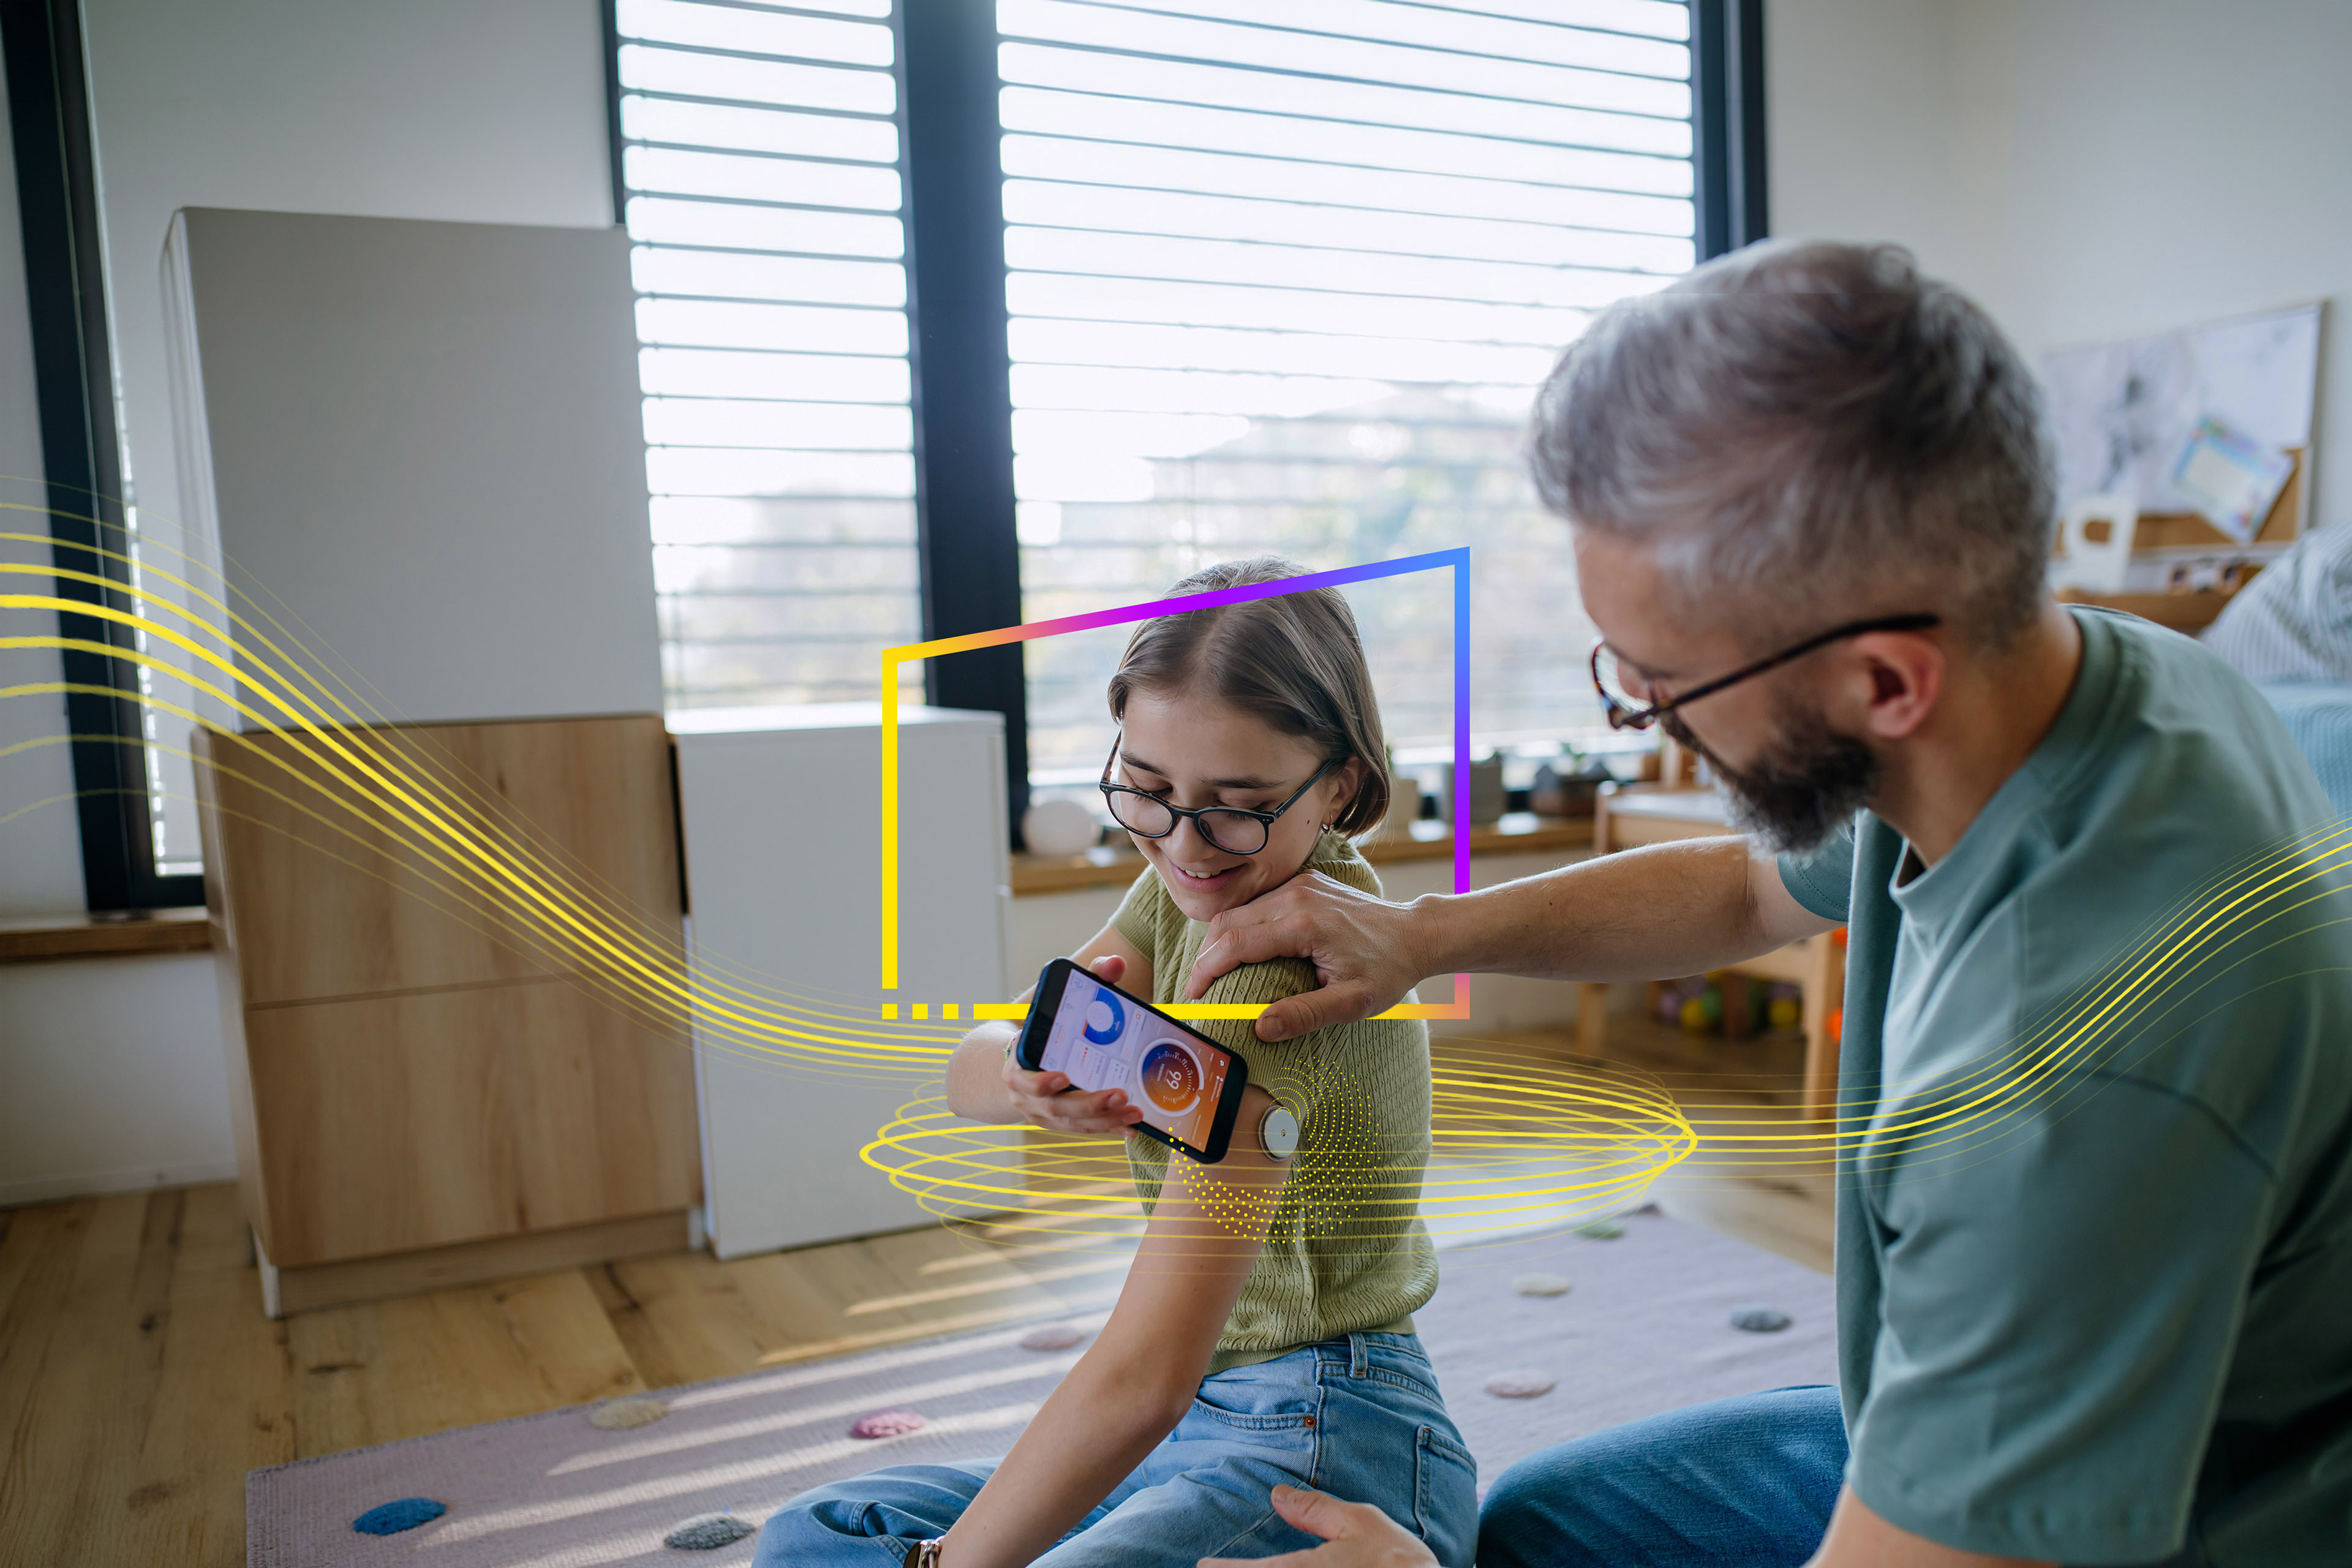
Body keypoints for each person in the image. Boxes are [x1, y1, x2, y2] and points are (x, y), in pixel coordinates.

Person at [1082, 242, 2349, 1567]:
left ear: (1886, 680)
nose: (1653, 724)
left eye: (1661, 683)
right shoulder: (2081, 676)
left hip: (2197, 1511)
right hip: (2041, 1370)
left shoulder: (2070, 1077)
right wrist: (1419, 938)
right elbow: (1748, 882)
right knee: (1541, 1532)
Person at [753, 557, 1477, 1568]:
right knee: (816, 1531)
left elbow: (1144, 1377)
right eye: (1144, 790)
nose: (1184, 843)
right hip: (1207, 1423)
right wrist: (1019, 1078)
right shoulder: (1189, 886)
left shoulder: (1272, 983)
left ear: (1343, 782)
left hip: (1329, 1438)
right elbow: (975, 1060)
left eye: (1237, 802)